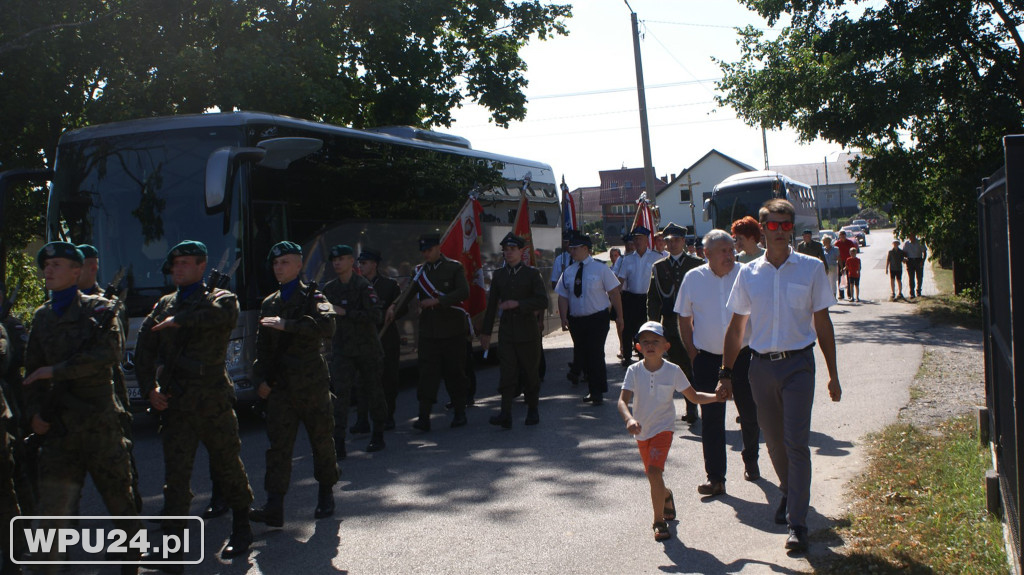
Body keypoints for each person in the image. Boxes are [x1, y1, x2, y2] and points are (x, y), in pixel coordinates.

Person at [718, 199, 841, 552]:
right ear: (762, 228)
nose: (781, 232)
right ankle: (789, 491)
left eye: (786, 225)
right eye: (773, 225)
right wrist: (726, 373)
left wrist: (833, 374)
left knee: (796, 442)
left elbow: (822, 324)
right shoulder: (749, 272)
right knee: (772, 441)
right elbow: (736, 328)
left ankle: (797, 524)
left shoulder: (811, 268)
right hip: (760, 367)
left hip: (798, 365)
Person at [23, 242, 143, 572]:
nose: (48, 270)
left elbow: (108, 355)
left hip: (100, 426)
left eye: (57, 264)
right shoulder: (42, 316)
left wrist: (57, 371)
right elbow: (32, 369)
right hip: (59, 432)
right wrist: (35, 413)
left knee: (122, 505)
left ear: (77, 272)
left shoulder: (102, 310)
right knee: (53, 514)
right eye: (46, 265)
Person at [135, 240, 254, 565]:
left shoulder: (221, 298)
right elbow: (144, 351)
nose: (179, 268)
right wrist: (149, 390)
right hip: (176, 402)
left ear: (202, 266)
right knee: (176, 476)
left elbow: (222, 317)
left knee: (228, 465)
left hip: (213, 396)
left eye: (187, 263)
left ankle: (242, 527)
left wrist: (182, 320)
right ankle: (173, 546)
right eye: (175, 263)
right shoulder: (163, 304)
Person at [249, 242, 339, 528]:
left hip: (311, 385)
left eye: (285, 262)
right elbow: (263, 349)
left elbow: (328, 328)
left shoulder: (315, 296)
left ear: (299, 265)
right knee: (278, 448)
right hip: (281, 389)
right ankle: (274, 506)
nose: (279, 268)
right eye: (276, 264)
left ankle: (326, 493)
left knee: (321, 441)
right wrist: (260, 380)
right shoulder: (269, 302)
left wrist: (288, 325)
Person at [616, 321, 722, 542]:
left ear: (666, 346)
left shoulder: (673, 371)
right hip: (641, 431)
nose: (650, 345)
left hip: (663, 430)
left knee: (655, 473)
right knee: (653, 478)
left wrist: (716, 397)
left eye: (655, 341)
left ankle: (659, 522)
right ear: (638, 347)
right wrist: (629, 419)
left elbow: (694, 397)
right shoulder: (633, 371)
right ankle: (666, 496)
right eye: (645, 341)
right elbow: (622, 401)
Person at [676, 229, 762, 497]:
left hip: (745, 356)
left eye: (731, 248)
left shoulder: (746, 274)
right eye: (723, 250)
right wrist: (692, 352)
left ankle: (751, 459)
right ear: (706, 254)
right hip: (707, 358)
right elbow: (683, 317)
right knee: (711, 418)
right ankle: (716, 478)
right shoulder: (693, 278)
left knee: (749, 413)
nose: (730, 253)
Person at [76, 243, 143, 514]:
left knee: (121, 463)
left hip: (109, 394)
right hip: (73, 401)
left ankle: (132, 518)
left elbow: (114, 346)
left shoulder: (110, 304)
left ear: (92, 267)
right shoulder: (62, 304)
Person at [322, 244, 387, 455]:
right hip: (342, 350)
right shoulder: (329, 289)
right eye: (334, 260)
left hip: (367, 349)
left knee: (374, 392)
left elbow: (376, 316)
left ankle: (378, 434)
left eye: (341, 259)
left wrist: (345, 312)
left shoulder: (363, 286)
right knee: (340, 396)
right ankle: (338, 442)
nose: (337, 263)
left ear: (351, 261)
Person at [479, 232, 549, 427]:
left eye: (512, 250)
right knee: (507, 373)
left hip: (527, 331)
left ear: (521, 251)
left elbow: (542, 300)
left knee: (530, 372)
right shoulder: (499, 275)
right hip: (507, 332)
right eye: (505, 250)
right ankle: (505, 413)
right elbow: (492, 305)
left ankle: (533, 410)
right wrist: (485, 333)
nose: (508, 253)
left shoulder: (532, 274)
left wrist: (517, 303)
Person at [556, 232, 624, 406]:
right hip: (577, 320)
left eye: (575, 248)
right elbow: (562, 295)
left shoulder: (601, 269)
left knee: (595, 354)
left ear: (586, 249)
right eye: (571, 248)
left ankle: (597, 391)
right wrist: (563, 317)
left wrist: (619, 316)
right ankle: (592, 386)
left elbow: (614, 292)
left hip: (597, 319)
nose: (572, 251)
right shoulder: (569, 271)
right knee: (584, 353)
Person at [411, 234, 471, 430]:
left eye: (429, 250)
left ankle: (460, 411)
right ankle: (423, 416)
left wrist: (437, 301)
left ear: (437, 248)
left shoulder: (454, 267)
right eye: (423, 251)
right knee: (427, 375)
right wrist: (394, 307)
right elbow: (408, 294)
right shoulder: (420, 272)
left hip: (452, 331)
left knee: (455, 373)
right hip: (429, 332)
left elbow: (463, 292)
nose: (425, 254)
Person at [646, 222, 704, 424]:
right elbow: (653, 298)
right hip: (670, 322)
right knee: (679, 365)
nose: (672, 244)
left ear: (683, 241)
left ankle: (699, 404)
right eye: (668, 241)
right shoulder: (659, 266)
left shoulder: (697, 264)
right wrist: (652, 327)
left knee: (696, 364)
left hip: (695, 322)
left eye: (676, 240)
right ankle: (689, 406)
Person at [358, 248, 407, 430]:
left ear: (374, 264)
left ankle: (388, 415)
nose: (361, 266)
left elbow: (403, 307)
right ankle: (362, 419)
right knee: (362, 380)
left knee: (388, 378)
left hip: (386, 337)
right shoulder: (357, 284)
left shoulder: (389, 285)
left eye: (364, 263)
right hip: (364, 337)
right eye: (359, 263)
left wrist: (393, 310)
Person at [615, 226, 662, 366]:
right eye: (635, 239)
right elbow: (621, 280)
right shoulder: (627, 259)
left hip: (648, 298)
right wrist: (614, 294)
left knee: (645, 328)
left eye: (640, 239)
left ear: (646, 240)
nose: (637, 242)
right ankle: (627, 355)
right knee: (628, 327)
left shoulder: (656, 257)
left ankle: (644, 356)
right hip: (631, 297)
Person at [833, 230, 857, 300]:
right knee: (840, 278)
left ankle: (849, 294)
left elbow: (854, 251)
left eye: (843, 235)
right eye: (841, 235)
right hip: (840, 262)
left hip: (849, 261)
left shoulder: (849, 242)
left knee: (849, 277)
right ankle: (841, 294)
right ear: (839, 236)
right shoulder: (837, 243)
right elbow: (836, 254)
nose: (842, 236)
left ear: (845, 236)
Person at [902, 233, 926, 298]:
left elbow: (924, 252)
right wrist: (904, 258)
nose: (911, 237)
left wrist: (922, 261)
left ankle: (918, 291)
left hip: (918, 260)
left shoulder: (919, 242)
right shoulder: (907, 243)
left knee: (919, 277)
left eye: (912, 235)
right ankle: (912, 293)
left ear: (914, 236)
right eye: (909, 236)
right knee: (911, 278)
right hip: (910, 261)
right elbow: (903, 253)